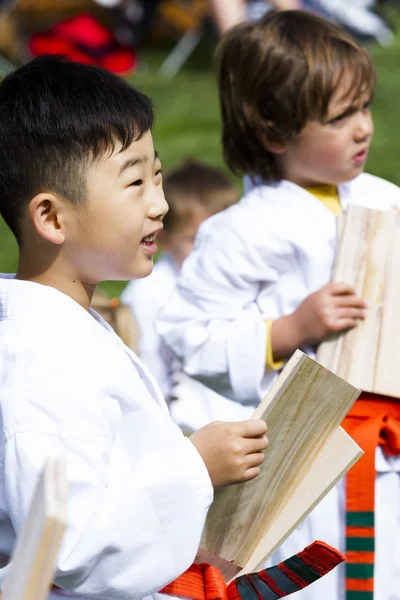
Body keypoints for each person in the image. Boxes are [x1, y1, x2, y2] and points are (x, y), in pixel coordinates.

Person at [0, 55, 270, 600]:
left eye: (159, 176)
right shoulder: (38, 356)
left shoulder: (67, 328)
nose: (161, 204)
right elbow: (68, 544)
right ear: (52, 218)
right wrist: (196, 467)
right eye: (135, 183)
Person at [157, 10, 400, 599]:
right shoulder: (243, 230)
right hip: (307, 455)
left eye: (364, 107)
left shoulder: (383, 199)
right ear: (274, 133)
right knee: (323, 576)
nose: (364, 128)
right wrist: (290, 327)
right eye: (341, 118)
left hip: (388, 444)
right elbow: (189, 331)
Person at [121, 158, 252, 433]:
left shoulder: (245, 277)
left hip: (248, 416)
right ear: (165, 240)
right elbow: (145, 365)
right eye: (196, 238)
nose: (212, 247)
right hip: (187, 428)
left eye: (223, 234)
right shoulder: (149, 292)